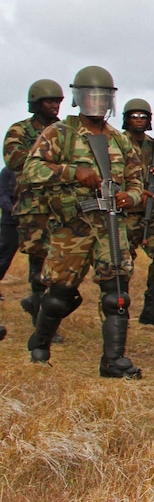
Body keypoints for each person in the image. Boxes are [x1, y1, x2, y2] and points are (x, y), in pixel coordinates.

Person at [22, 66, 143, 377]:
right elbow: (31, 172)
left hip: (110, 227)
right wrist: (71, 172)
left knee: (117, 292)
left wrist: (129, 197)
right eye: (91, 97)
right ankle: (40, 344)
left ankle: (113, 360)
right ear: (78, 98)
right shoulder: (59, 134)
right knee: (60, 294)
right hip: (71, 227)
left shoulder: (119, 140)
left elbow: (136, 182)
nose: (97, 103)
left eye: (103, 97)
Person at [4, 79, 65, 336]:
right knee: (37, 261)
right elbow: (14, 160)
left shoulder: (65, 131)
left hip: (60, 205)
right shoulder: (19, 130)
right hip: (32, 206)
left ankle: (41, 309)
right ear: (36, 103)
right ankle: (40, 317)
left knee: (57, 263)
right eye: (49, 101)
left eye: (57, 101)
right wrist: (47, 158)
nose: (54, 106)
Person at [119, 98, 154, 328]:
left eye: (143, 116)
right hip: (126, 212)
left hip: (152, 212)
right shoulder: (119, 143)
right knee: (121, 265)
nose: (139, 120)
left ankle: (151, 313)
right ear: (126, 119)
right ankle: (119, 311)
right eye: (134, 116)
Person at [0, 166, 15, 340]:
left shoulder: (33, 168)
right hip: (10, 221)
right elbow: (2, 195)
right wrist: (12, 209)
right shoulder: (7, 172)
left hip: (33, 222)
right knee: (3, 257)